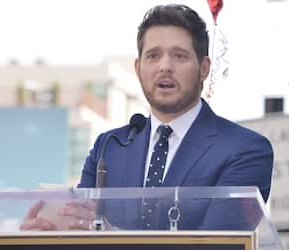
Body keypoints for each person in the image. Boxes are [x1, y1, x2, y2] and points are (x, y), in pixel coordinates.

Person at [21, 4, 273, 231]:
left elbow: (219, 245)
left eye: (179, 56)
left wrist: (112, 238)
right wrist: (46, 234)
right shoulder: (108, 148)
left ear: (204, 68)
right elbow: (81, 227)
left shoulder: (246, 150)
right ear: (138, 68)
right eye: (153, 56)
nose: (165, 66)